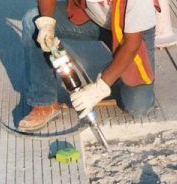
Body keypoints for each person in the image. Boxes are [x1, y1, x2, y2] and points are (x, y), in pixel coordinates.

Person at [19, 0, 158, 131]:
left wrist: (100, 88)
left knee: (139, 107)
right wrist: (46, 24)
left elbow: (131, 45)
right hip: (92, 19)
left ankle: (114, 76)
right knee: (33, 21)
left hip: (132, 33)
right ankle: (44, 103)